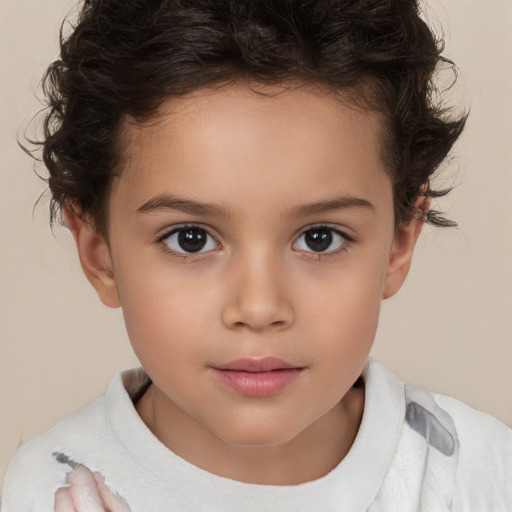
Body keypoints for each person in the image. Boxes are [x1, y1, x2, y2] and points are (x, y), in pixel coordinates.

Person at [2, 0, 511, 510]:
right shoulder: (42, 492)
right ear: (100, 254)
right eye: (191, 239)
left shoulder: (482, 477)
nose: (259, 307)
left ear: (400, 242)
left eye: (319, 238)